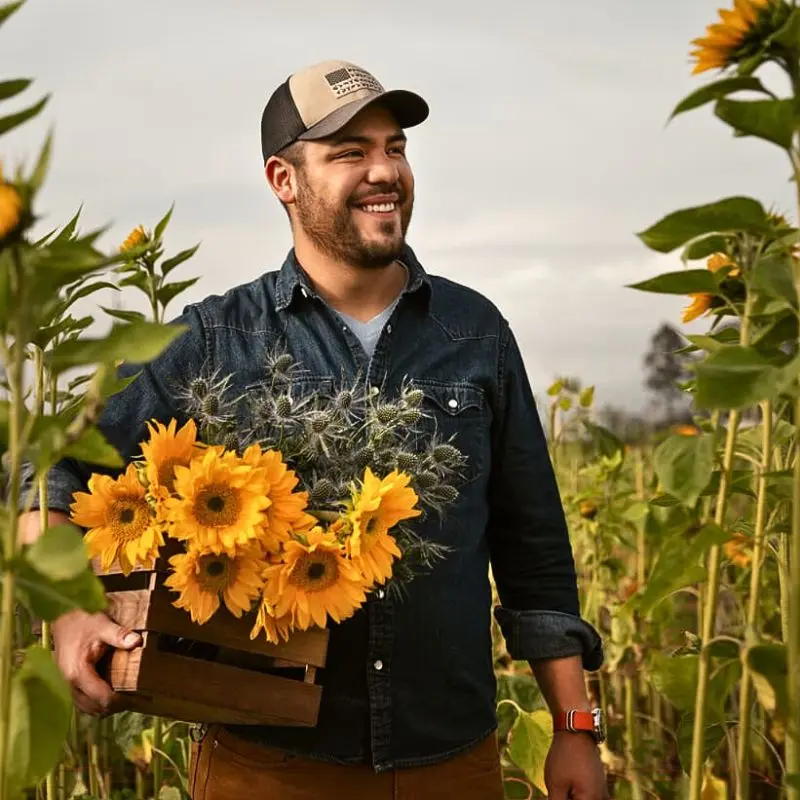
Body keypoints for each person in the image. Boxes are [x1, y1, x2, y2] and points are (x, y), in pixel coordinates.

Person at [19, 59, 608, 800]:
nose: (384, 170)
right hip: (265, 764)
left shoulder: (474, 332)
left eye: (394, 147)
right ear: (283, 179)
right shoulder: (214, 340)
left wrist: (574, 728)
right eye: (350, 153)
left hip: (451, 762)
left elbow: (535, 554)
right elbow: (46, 467)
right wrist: (70, 610)